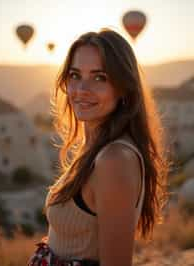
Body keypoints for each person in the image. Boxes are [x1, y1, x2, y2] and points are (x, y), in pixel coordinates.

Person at [28, 28, 169, 266]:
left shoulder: (114, 160)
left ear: (124, 88)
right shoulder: (94, 148)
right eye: (74, 75)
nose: (82, 89)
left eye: (99, 77)